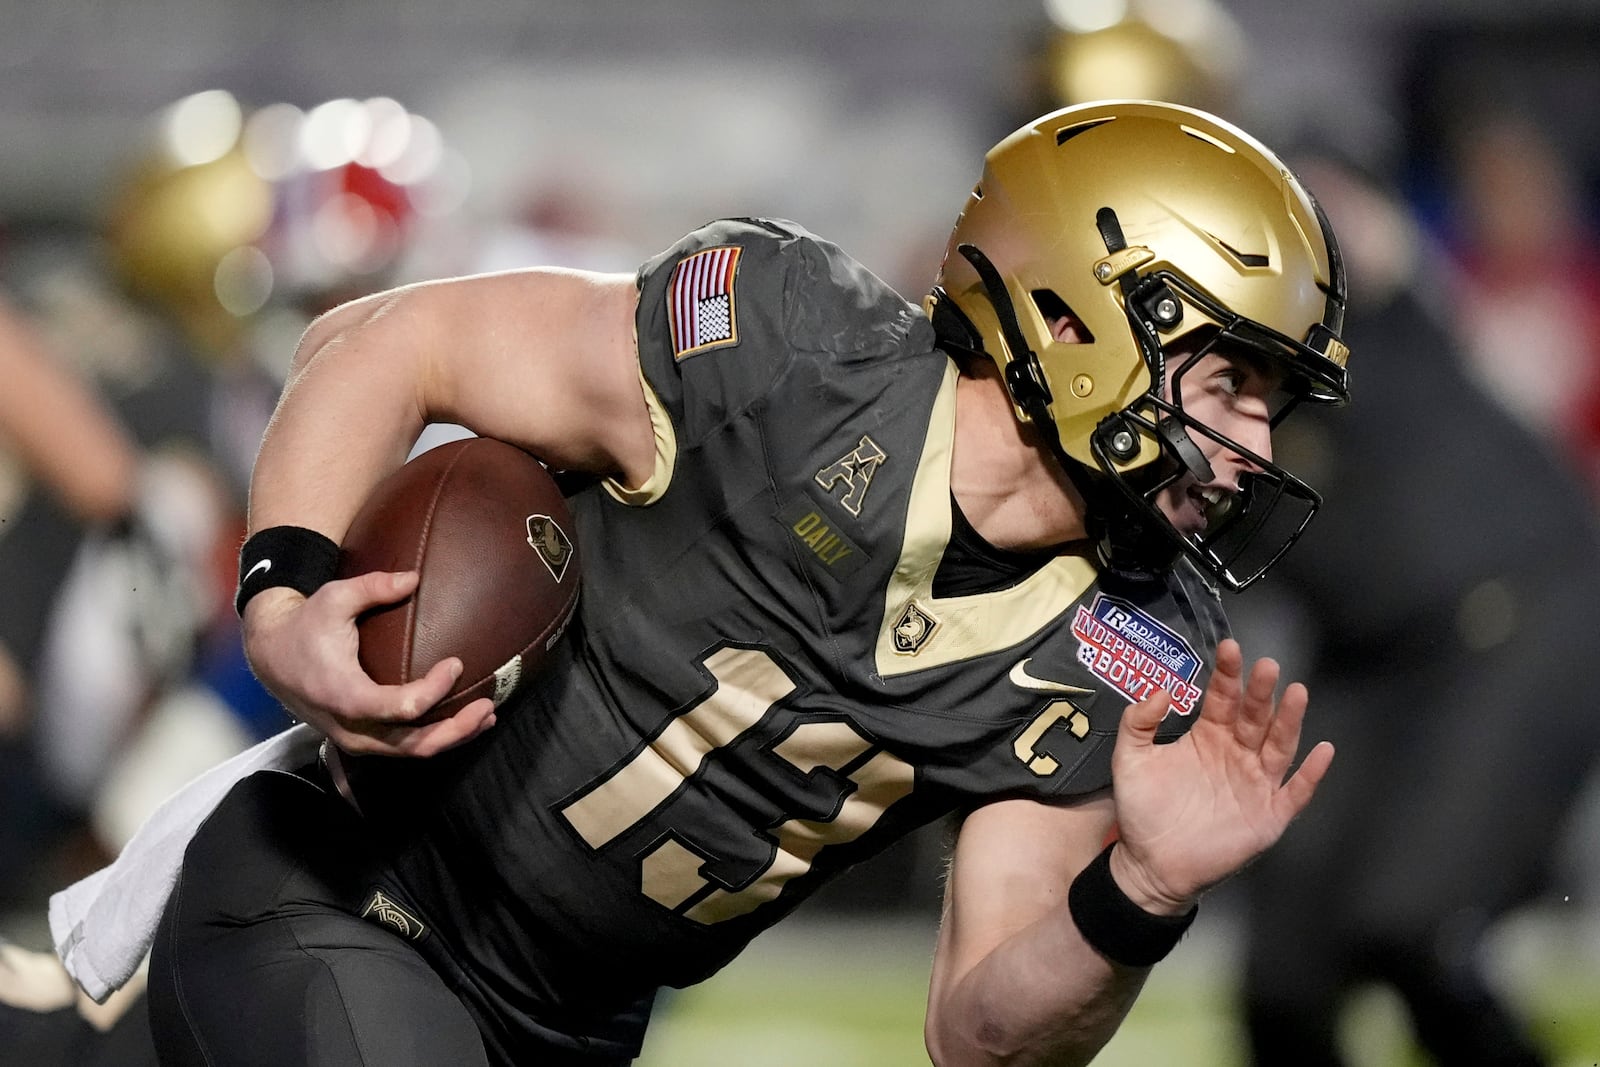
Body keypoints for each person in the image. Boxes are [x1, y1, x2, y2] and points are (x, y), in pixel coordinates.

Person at [112, 99, 1348, 1066]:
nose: (1256, 447)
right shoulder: (790, 353)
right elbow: (397, 342)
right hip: (351, 895)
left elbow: (977, 1035)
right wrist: (282, 605)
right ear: (1079, 315)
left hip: (567, 1028)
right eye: (1231, 379)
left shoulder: (1131, 642)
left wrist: (1137, 891)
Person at [1232, 151, 1600, 1067]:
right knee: (1283, 977)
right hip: (1370, 657)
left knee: (1414, 929)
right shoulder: (1159, 385)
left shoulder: (1331, 284)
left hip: (1513, 616)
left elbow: (1352, 228)